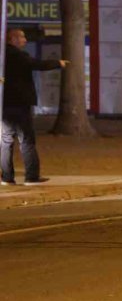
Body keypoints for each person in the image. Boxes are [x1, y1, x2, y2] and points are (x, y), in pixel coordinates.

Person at [1, 29, 68, 185]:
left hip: (4, 104)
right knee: (26, 140)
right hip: (20, 104)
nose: (25, 40)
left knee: (6, 141)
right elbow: (36, 64)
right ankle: (31, 176)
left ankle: (6, 177)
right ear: (13, 39)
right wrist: (58, 63)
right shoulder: (17, 55)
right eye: (22, 37)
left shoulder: (3, 55)